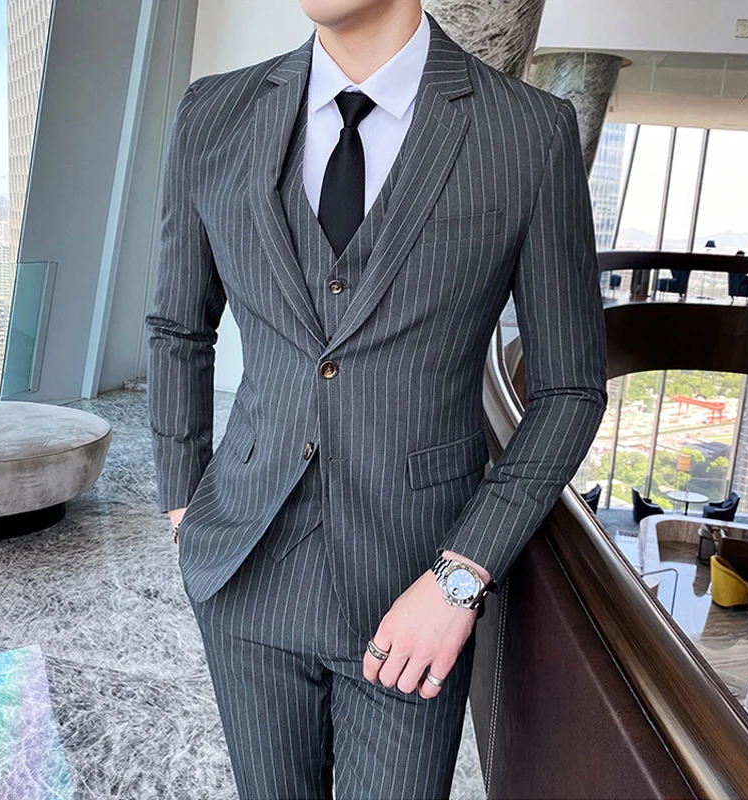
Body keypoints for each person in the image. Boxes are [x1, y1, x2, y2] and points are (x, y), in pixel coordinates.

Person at [145, 1, 608, 797]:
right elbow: (177, 327)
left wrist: (461, 576)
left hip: (415, 584)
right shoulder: (213, 112)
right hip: (244, 572)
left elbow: (568, 390)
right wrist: (185, 507)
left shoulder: (528, 131)